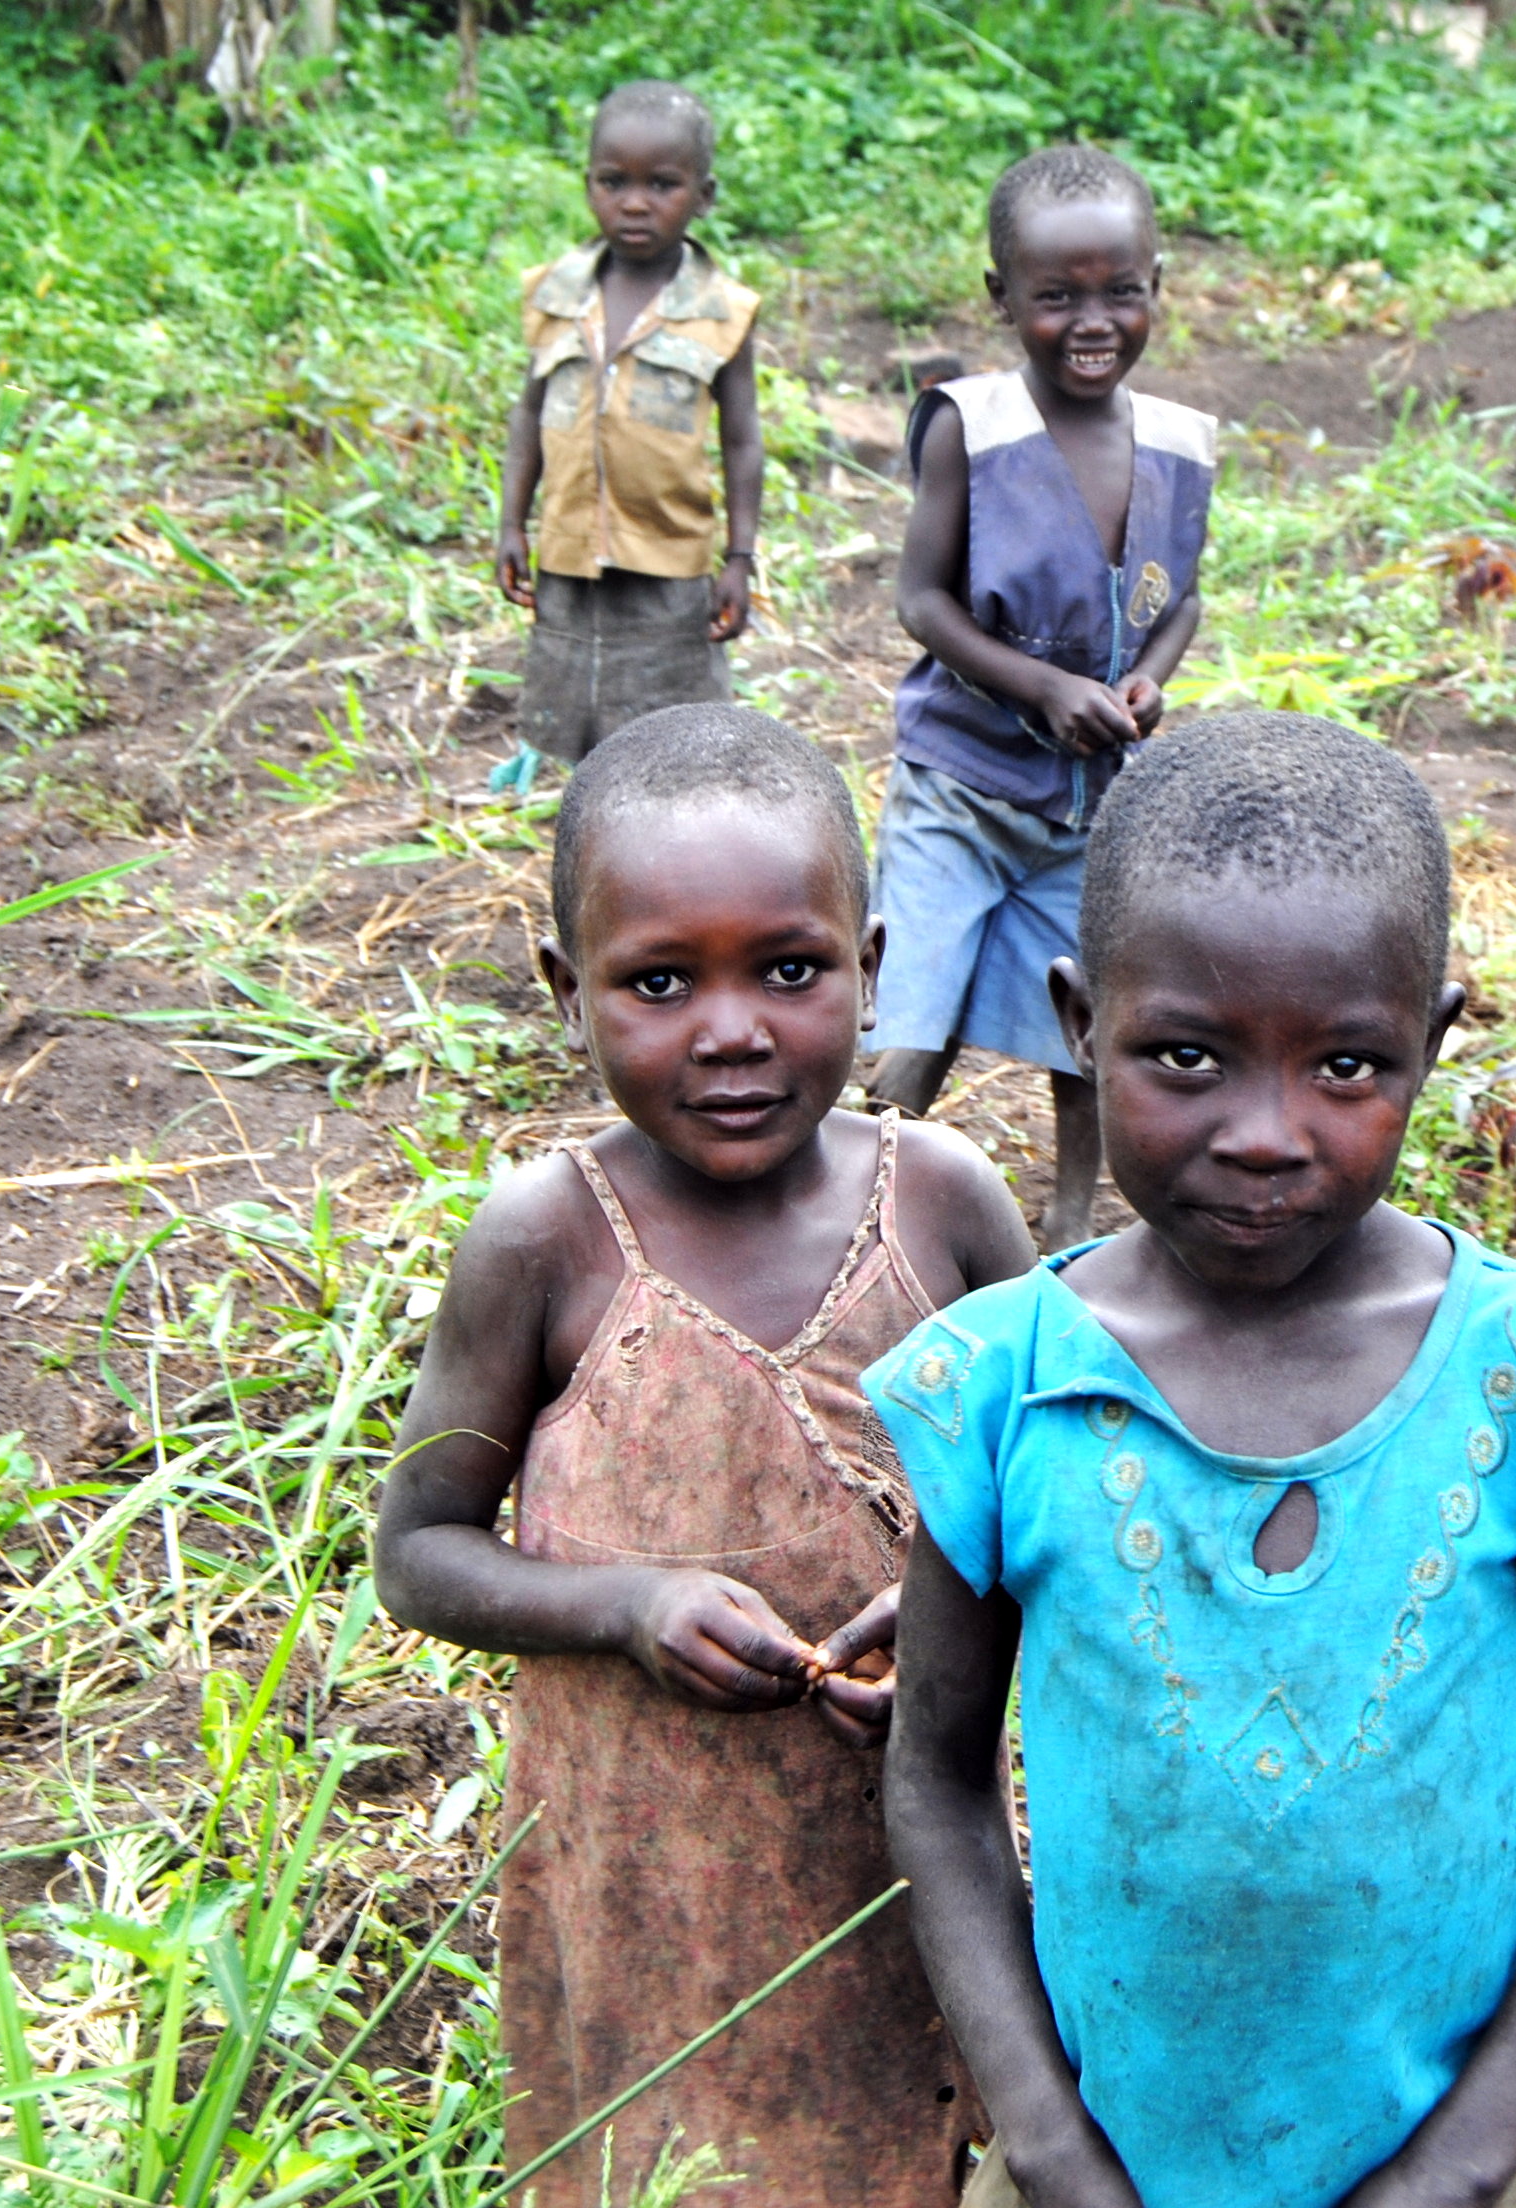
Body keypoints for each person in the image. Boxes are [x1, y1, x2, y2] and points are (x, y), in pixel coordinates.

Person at [872, 709, 1516, 2208]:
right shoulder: (1001, 1383)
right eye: (1187, 1056)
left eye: (1345, 1066)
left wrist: (1465, 2163)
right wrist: (1046, 2139)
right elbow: (936, 1782)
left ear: (1434, 1040)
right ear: (1080, 1021)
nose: (1267, 1134)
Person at [374, 704, 1039, 2207]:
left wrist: (951, 1606)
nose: (733, 1029)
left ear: (871, 963)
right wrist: (624, 1606)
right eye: (660, 982)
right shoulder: (545, 1242)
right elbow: (418, 1553)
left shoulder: (942, 1208)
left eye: (791, 972)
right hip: (645, 1879)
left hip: (905, 1864)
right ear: (568, 989)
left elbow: (1046, 1502)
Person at [866, 145, 1214, 1249]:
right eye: (1055, 296)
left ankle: (1070, 1237)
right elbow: (921, 603)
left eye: (1122, 290)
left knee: (1088, 1031)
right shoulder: (970, 428)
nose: (1092, 320)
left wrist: (1145, 677)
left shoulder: (1172, 445)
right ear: (1000, 297)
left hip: (1084, 809)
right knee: (905, 1029)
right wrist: (1042, 685)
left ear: (1157, 287)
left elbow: (1179, 598)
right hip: (959, 791)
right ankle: (865, 1227)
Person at [493, 81, 767, 787]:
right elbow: (529, 414)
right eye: (615, 182)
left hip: (669, 564)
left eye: (663, 185)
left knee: (679, 732)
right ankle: (596, 831)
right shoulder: (555, 294)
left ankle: (677, 834)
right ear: (588, 186)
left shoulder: (720, 311)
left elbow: (741, 438)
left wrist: (739, 557)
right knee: (577, 711)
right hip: (568, 558)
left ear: (703, 195)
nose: (636, 202)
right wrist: (510, 524)